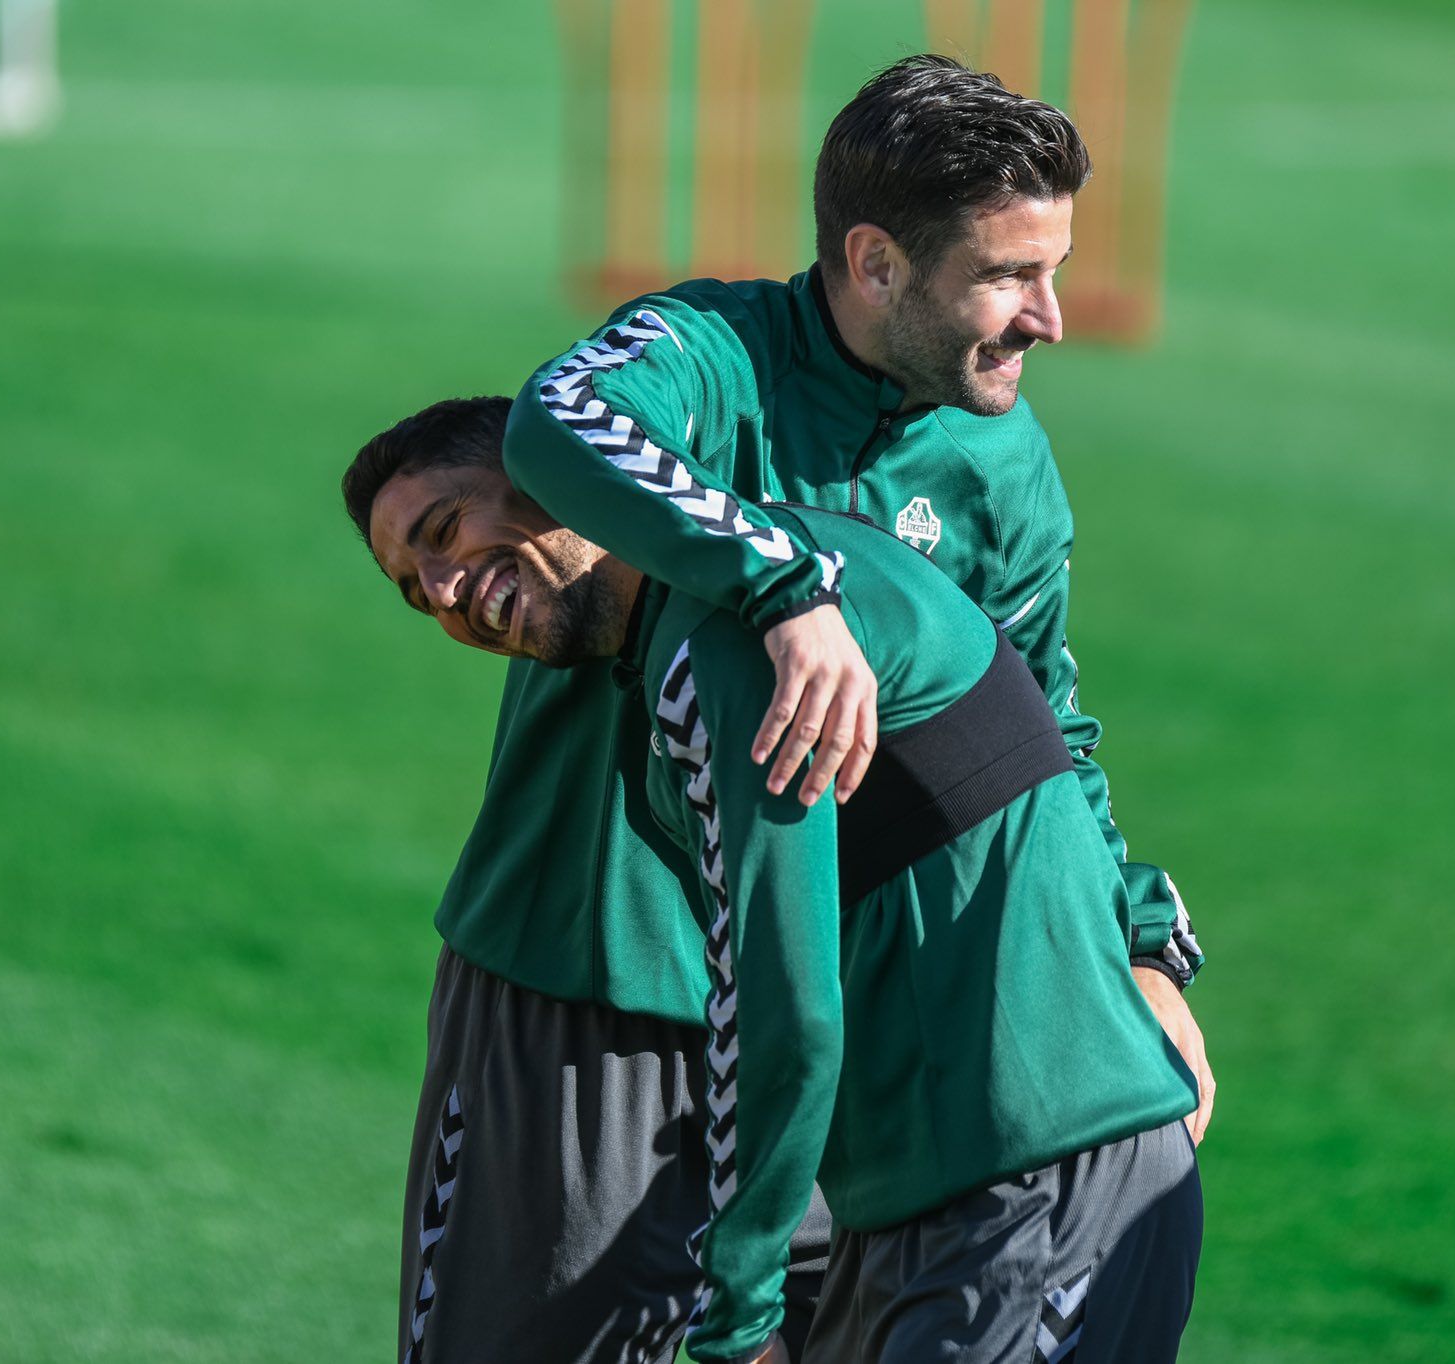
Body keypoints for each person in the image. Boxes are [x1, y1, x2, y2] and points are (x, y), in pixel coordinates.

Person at [361, 54, 1210, 1364]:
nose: (1052, 317)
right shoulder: (709, 354)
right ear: (877, 265)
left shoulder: (1007, 471)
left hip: (844, 1041)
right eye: (1007, 276)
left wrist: (1142, 944)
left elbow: (1044, 725)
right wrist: (780, 587)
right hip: (591, 1000)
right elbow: (563, 416)